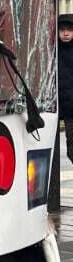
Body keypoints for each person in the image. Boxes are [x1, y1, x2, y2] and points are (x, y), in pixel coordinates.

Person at [59, 14, 73, 166]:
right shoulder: (52, 49)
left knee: (72, 150)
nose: (66, 33)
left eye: (69, 30)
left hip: (71, 110)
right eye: (62, 30)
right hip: (53, 106)